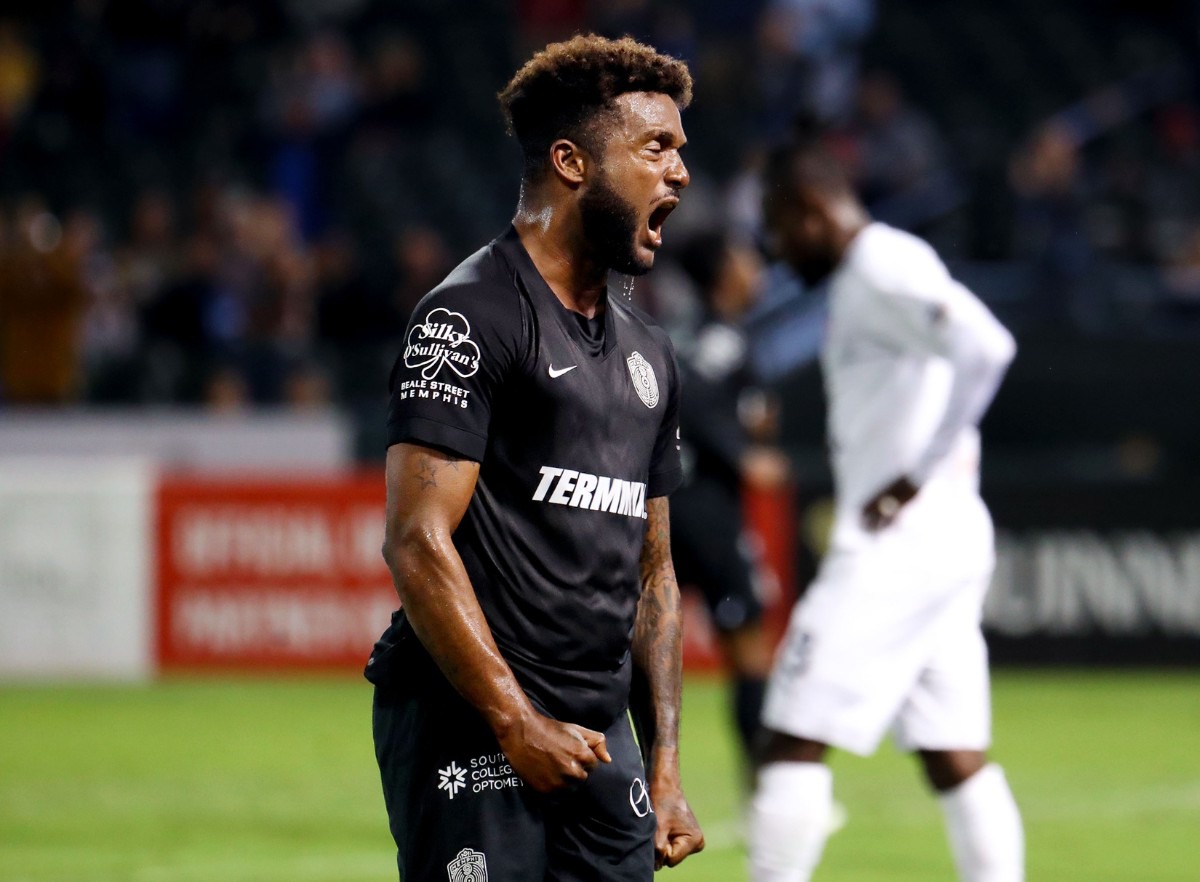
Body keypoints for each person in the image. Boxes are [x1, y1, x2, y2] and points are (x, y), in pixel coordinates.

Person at [365, 34, 705, 882]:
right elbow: (415, 539)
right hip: (471, 726)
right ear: (571, 162)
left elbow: (654, 574)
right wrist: (515, 721)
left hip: (598, 738)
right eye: (654, 147)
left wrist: (663, 767)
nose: (680, 173)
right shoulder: (469, 316)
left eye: (681, 150)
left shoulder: (649, 354)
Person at [748, 139, 1024, 882]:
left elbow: (988, 346)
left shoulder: (880, 264)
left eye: (777, 229)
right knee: (954, 755)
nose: (777, 251)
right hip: (947, 535)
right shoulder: (877, 270)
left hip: (896, 546)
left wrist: (914, 473)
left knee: (791, 735)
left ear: (810, 210)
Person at [669, 230, 790, 781]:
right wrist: (742, 453)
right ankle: (763, 784)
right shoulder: (719, 339)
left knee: (646, 640)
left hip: (677, 505)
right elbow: (691, 396)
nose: (757, 268)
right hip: (705, 509)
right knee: (748, 646)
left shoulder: (721, 336)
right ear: (723, 273)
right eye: (745, 257)